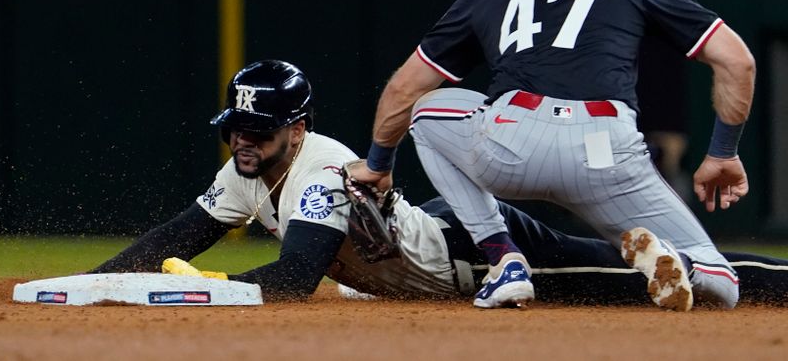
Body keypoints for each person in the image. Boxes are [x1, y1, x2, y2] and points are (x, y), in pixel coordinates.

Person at [346, 0, 756, 311]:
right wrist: (722, 153)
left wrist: (379, 163)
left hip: (511, 143)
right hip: (606, 151)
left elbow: (405, 89)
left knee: (426, 111)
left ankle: (504, 261)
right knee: (722, 283)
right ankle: (685, 265)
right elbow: (738, 61)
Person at [89, 60, 784, 307]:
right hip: (427, 238)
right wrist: (98, 281)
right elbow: (179, 234)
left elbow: (294, 279)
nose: (243, 140)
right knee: (615, 273)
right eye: (235, 128)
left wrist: (202, 289)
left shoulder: (321, 171)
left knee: (627, 281)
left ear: (297, 129)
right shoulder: (247, 169)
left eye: (260, 130)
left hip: (470, 252)